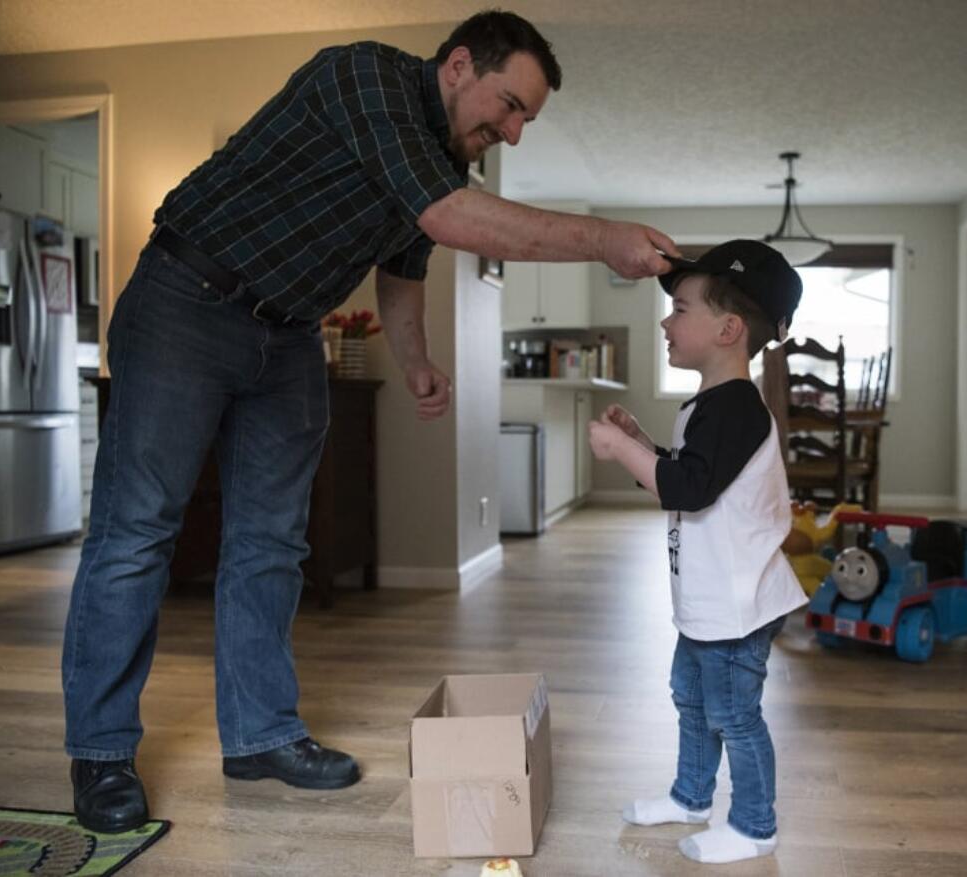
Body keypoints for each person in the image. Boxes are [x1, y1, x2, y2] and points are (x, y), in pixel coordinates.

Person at [63, 10, 679, 834]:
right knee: (137, 532)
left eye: (527, 119)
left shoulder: (436, 157)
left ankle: (260, 733)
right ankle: (101, 753)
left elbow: (404, 265)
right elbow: (447, 219)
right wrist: (602, 239)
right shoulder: (363, 78)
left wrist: (415, 358)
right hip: (187, 299)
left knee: (272, 543)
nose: (514, 133)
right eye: (510, 105)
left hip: (287, 335)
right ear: (458, 64)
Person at [587, 239, 807, 864]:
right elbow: (689, 476)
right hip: (709, 598)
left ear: (729, 328)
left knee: (734, 715)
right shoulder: (713, 406)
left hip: (736, 605)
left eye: (680, 308)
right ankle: (691, 796)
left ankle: (755, 825)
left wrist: (622, 452)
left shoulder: (736, 406)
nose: (665, 320)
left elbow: (687, 487)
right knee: (690, 697)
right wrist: (643, 445)